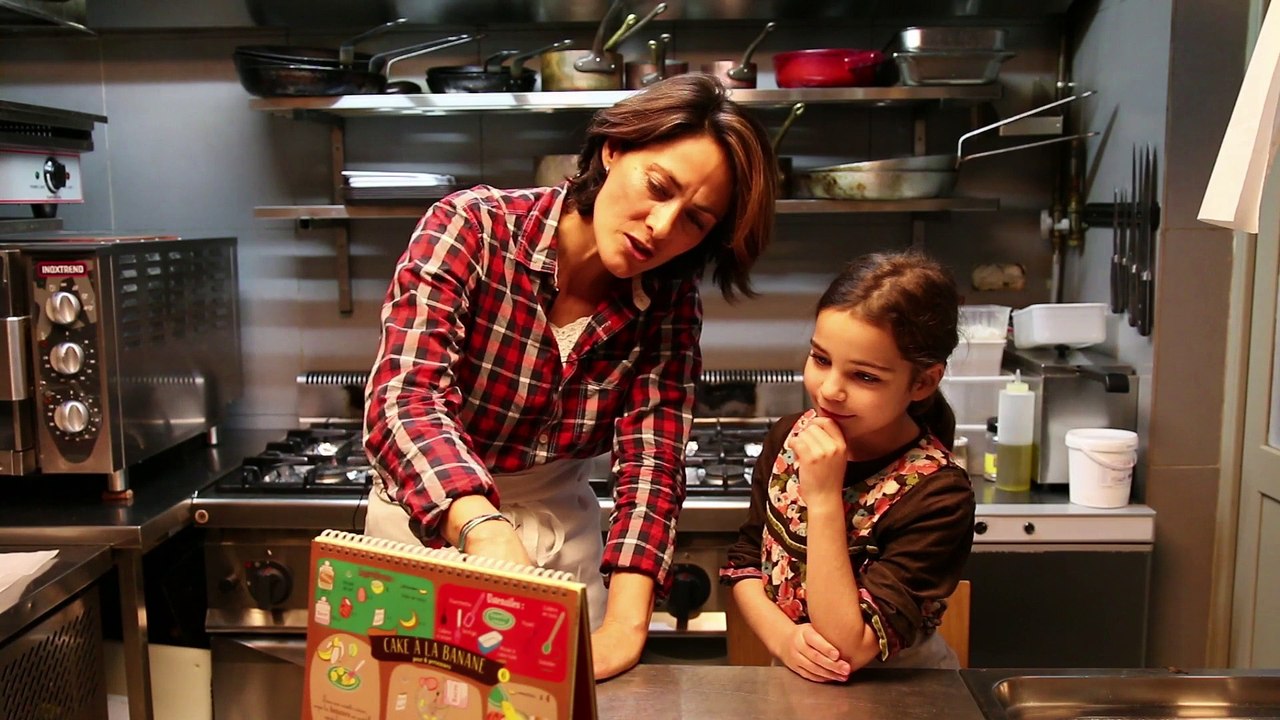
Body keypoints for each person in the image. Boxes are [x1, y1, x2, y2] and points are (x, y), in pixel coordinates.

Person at [362, 73, 778, 680]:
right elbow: (406, 398)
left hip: (565, 553)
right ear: (614, 150)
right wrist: (483, 528)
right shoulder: (472, 228)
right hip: (428, 534)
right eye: (658, 187)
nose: (662, 227)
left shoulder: (670, 301)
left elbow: (651, 461)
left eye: (695, 220)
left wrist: (625, 628)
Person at [720, 250, 975, 682]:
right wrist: (783, 639)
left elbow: (845, 645)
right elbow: (746, 560)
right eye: (821, 359)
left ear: (924, 381)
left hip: (903, 692)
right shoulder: (788, 437)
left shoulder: (939, 495)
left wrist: (822, 498)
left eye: (866, 377)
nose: (831, 390)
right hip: (796, 678)